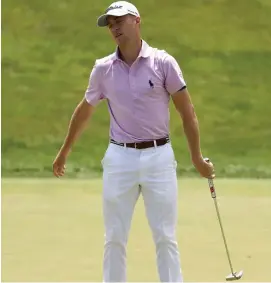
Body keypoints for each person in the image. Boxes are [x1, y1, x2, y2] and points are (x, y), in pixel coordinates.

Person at [53, 1, 215, 282]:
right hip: (120, 158)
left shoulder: (163, 63)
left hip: (159, 156)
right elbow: (85, 110)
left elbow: (187, 113)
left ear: (137, 21)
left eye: (119, 20)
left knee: (165, 236)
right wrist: (64, 151)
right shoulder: (103, 69)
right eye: (110, 23)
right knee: (114, 237)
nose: (114, 27)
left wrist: (197, 158)